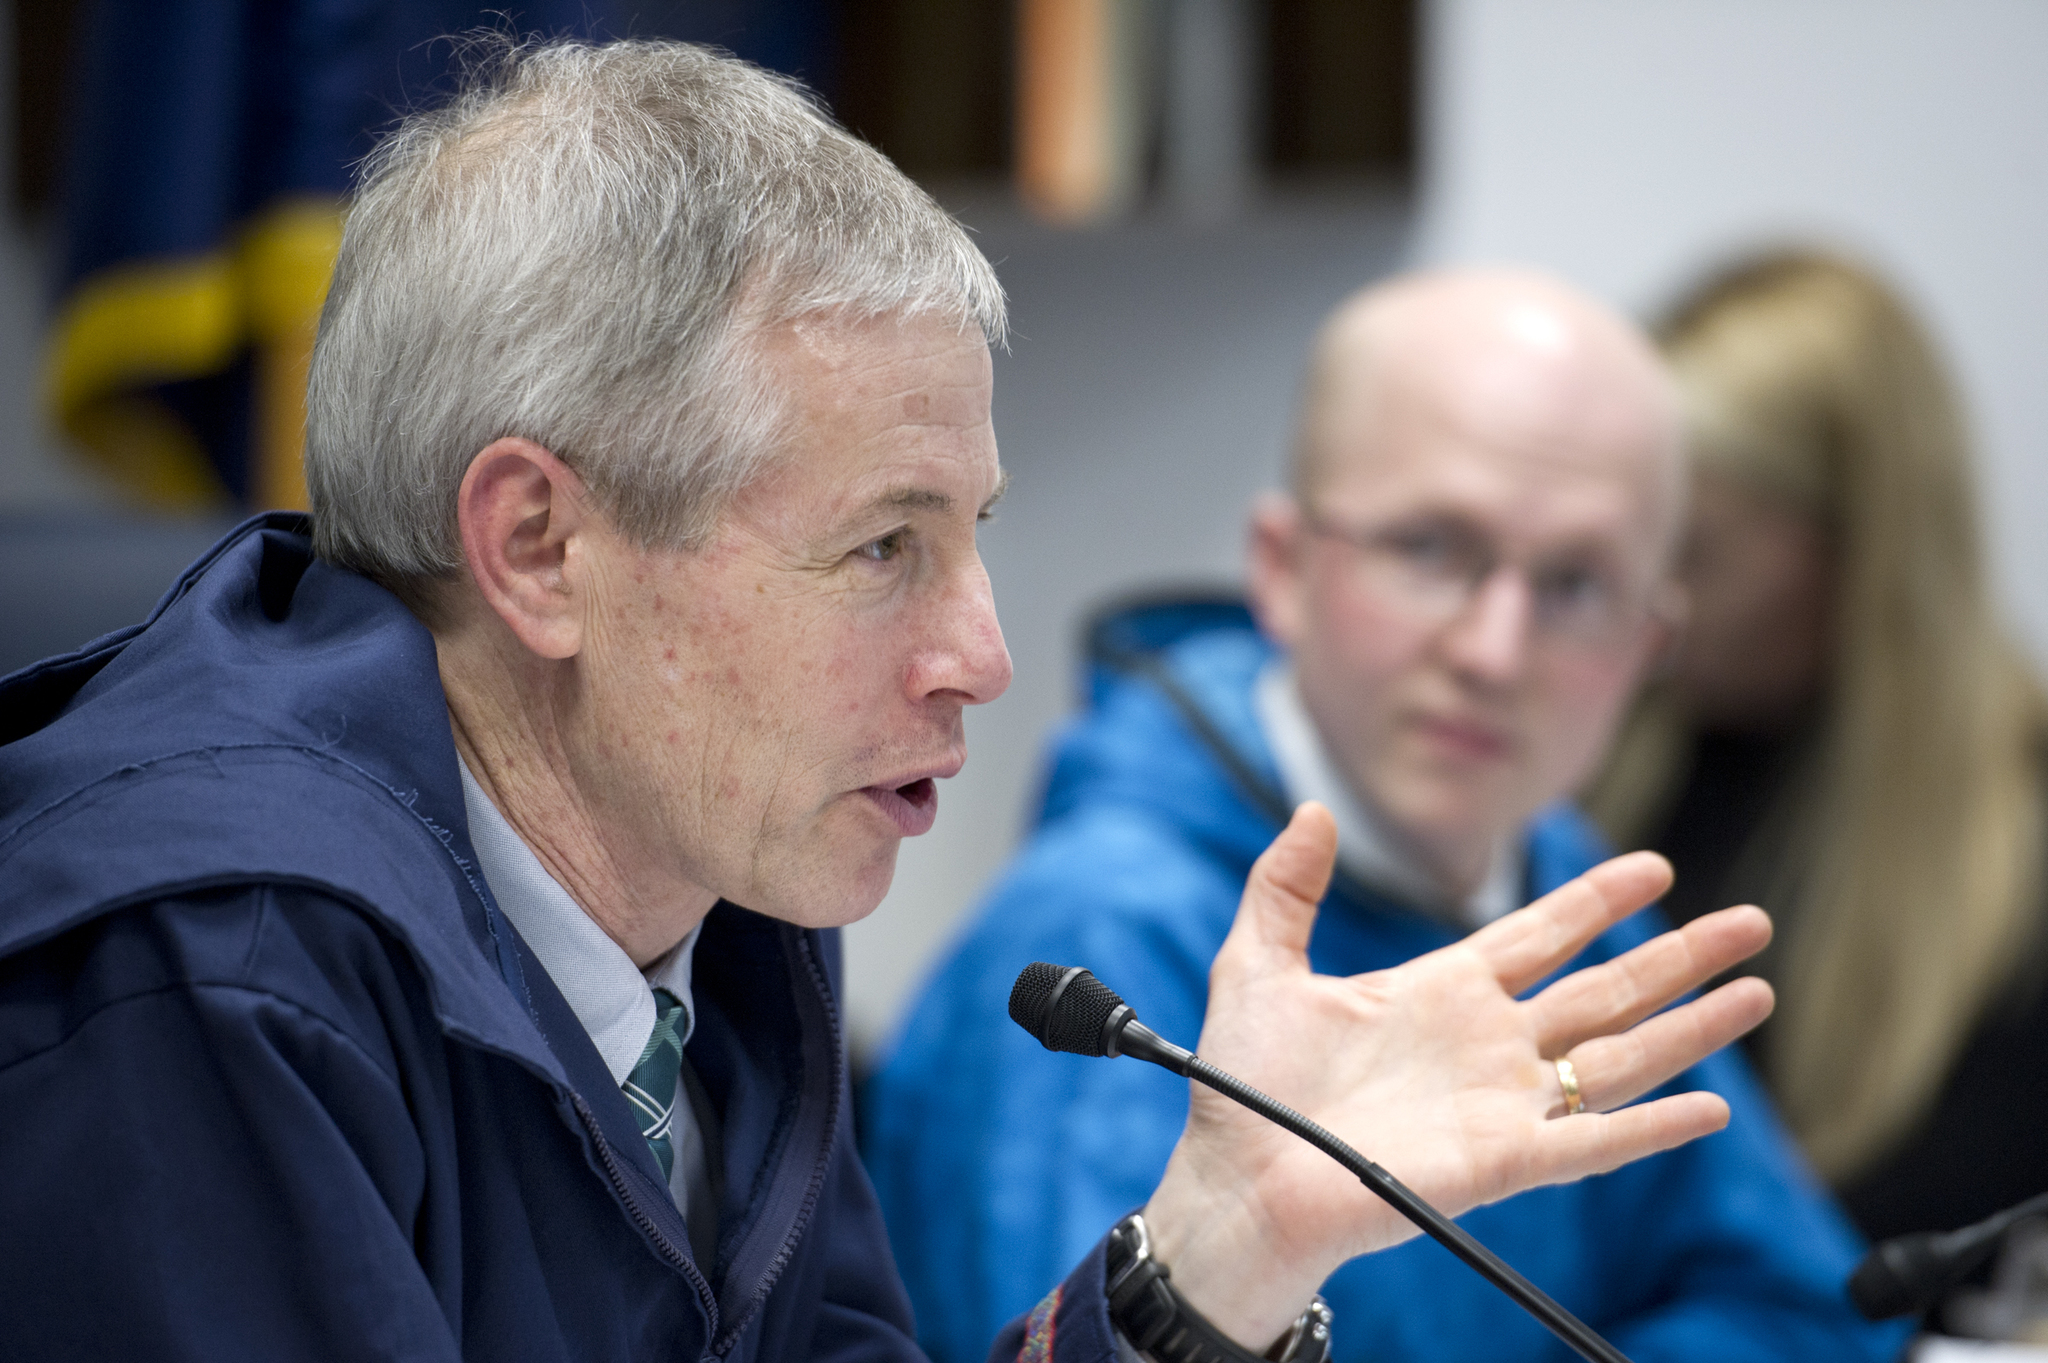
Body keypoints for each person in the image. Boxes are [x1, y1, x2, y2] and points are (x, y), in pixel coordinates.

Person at [0, 40, 1776, 1362]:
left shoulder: (723, 906)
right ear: (538, 545)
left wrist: (1222, 1240)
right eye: (880, 548)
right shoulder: (206, 978)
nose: (981, 654)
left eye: (970, 535)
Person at [864, 269, 1910, 1363]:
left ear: (1648, 645)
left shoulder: (1555, 880)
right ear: (1282, 568)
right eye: (1429, 549)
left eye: (1574, 582)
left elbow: (1812, 1317)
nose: (1493, 652)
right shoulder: (1099, 941)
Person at [1581, 250, 2048, 1312]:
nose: (1647, 603)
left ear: (1859, 546)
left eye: (1692, 549)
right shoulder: (1598, 780)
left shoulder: (2019, 858)